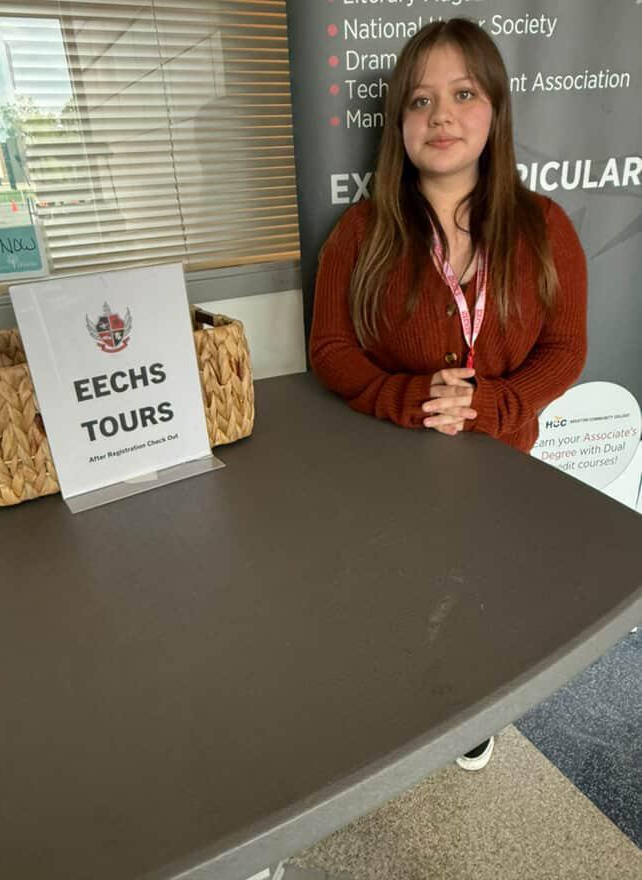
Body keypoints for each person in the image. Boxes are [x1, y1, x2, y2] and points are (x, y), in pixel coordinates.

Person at [309, 19, 588, 770]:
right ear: (399, 121)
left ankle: (473, 708)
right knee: (401, 599)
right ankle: (401, 710)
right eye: (420, 100)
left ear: (495, 109)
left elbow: (565, 350)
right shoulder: (361, 230)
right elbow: (329, 350)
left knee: (485, 597)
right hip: (390, 473)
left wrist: (492, 406)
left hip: (504, 468)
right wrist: (407, 397)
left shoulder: (545, 227)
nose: (441, 116)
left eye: (463, 94)